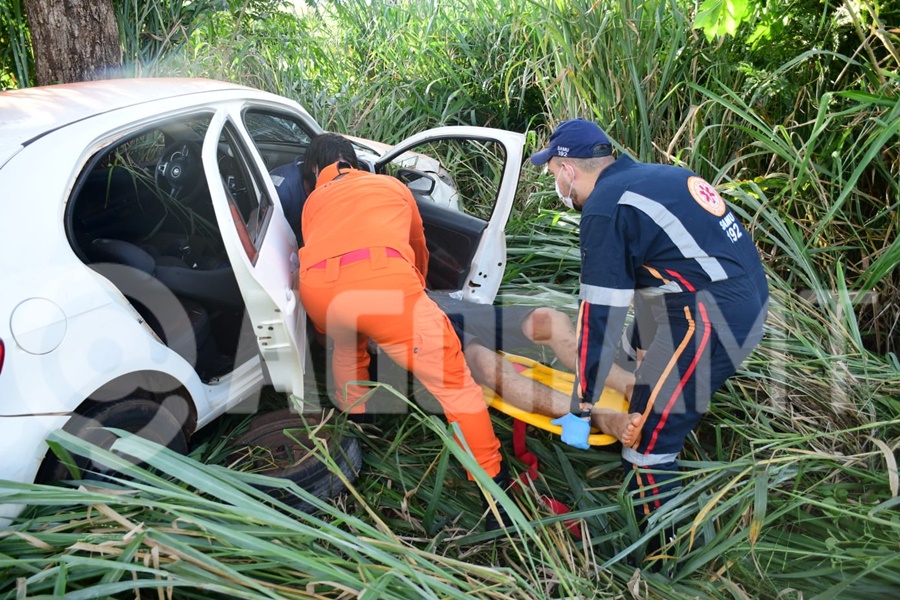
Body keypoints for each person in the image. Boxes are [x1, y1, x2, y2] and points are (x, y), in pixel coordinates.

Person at [530, 118, 769, 522]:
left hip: (710, 317)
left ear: (568, 170)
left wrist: (582, 407)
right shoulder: (660, 176)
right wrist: (640, 353)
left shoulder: (604, 210)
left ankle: (662, 556)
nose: (556, 184)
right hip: (742, 295)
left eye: (553, 173)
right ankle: (666, 406)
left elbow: (599, 317)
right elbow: (658, 278)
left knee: (646, 446)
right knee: (636, 372)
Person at [295, 133, 508, 525]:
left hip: (320, 293)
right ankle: (494, 488)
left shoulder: (312, 202)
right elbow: (418, 244)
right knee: (453, 383)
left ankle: (359, 428)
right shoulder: (390, 185)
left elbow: (325, 244)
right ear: (354, 159)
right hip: (384, 283)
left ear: (313, 171)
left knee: (346, 345)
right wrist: (417, 291)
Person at [429, 292, 641, 442]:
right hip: (410, 316)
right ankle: (600, 417)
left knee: (550, 320)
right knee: (485, 364)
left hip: (430, 296)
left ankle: (631, 385)